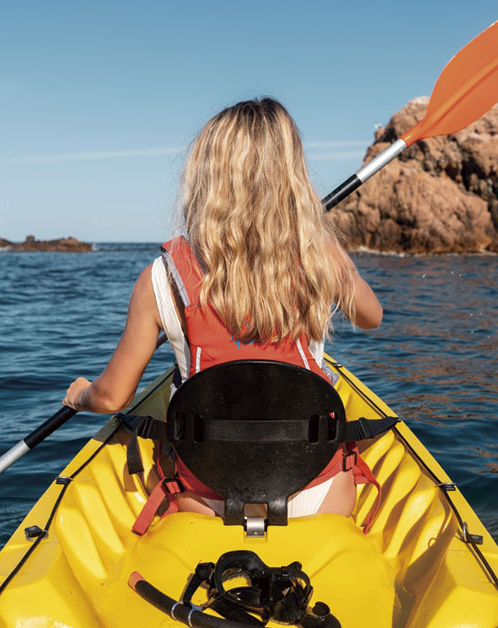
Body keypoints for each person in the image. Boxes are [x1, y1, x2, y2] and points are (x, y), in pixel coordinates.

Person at [61, 97, 382, 523]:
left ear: (207, 177)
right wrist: (327, 249)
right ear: (292, 177)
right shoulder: (322, 258)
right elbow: (371, 317)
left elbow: (112, 397)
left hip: (207, 493)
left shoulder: (159, 278)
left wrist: (81, 394)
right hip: (315, 489)